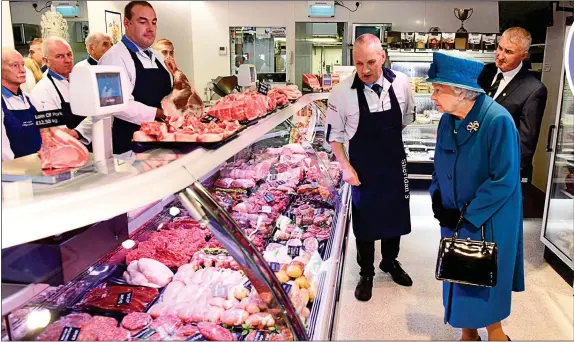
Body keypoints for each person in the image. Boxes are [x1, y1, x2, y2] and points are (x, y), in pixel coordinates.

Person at [428, 52, 524, 341]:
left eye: (437, 88)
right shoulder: (448, 119)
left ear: (460, 92)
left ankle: (496, 334)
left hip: (487, 219)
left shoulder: (497, 121)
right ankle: (467, 332)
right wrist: (436, 197)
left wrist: (467, 212)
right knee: (457, 272)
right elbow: (440, 163)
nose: (432, 95)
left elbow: (504, 179)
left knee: (482, 277)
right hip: (453, 215)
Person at [326, 33, 416, 301]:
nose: (364, 70)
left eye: (371, 62)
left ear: (383, 58)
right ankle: (366, 273)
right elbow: (334, 137)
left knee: (396, 215)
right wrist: (346, 167)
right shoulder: (341, 92)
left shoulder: (401, 83)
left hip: (394, 163)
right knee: (365, 222)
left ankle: (390, 261)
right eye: (358, 63)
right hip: (362, 168)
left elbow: (405, 118)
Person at [99, 1, 173, 154]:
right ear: (127, 23)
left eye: (153, 22)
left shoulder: (157, 56)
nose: (150, 28)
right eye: (142, 22)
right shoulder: (112, 58)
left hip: (162, 141)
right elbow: (115, 104)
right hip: (130, 147)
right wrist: (159, 113)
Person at [477, 27, 548, 182]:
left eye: (508, 52)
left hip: (501, 171)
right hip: (475, 163)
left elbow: (526, 141)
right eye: (499, 48)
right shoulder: (483, 72)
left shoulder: (534, 89)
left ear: (523, 55)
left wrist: (506, 177)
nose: (500, 56)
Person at [30, 37, 92, 147]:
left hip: (93, 145)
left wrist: (78, 131)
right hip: (68, 150)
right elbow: (55, 132)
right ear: (46, 61)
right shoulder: (41, 91)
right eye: (60, 56)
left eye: (69, 54)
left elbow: (97, 115)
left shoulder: (83, 80)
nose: (67, 60)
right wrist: (77, 133)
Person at [1, 47, 42, 161]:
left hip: (40, 169)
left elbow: (46, 135)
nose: (23, 70)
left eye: (22, 64)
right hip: (11, 175)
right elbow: (4, 154)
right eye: (14, 65)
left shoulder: (32, 100)